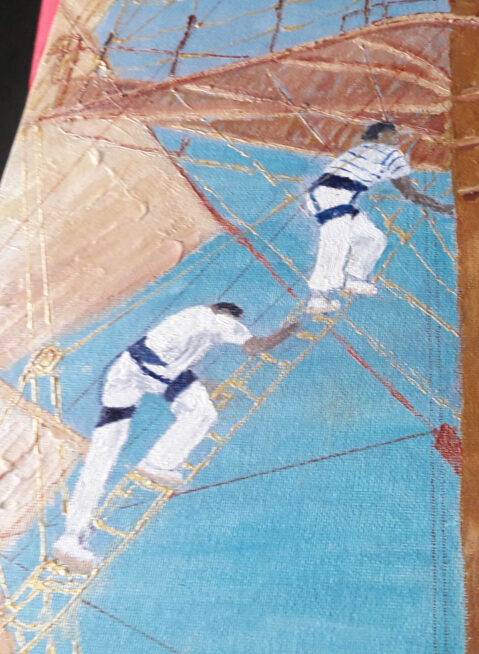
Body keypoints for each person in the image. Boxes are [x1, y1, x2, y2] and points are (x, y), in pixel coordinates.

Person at [53, 303, 298, 571]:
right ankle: (158, 463)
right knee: (200, 412)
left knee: (105, 451)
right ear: (225, 312)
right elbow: (253, 346)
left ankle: (73, 534)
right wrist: (292, 329)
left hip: (134, 370)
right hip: (150, 372)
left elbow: (187, 352)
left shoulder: (197, 319)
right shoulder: (213, 320)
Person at [304, 121, 454, 313]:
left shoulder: (361, 150)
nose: (396, 139)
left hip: (331, 195)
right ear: (381, 135)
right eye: (392, 134)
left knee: (372, 238)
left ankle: (354, 278)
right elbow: (410, 194)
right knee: (336, 242)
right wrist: (442, 208)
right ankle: (318, 297)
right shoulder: (392, 154)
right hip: (333, 195)